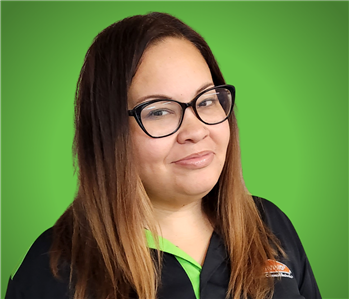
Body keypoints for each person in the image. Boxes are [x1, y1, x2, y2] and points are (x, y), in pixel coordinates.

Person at [5, 12, 321, 299]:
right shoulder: (53, 270)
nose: (196, 131)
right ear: (108, 132)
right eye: (159, 111)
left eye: (207, 100)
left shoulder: (269, 224)